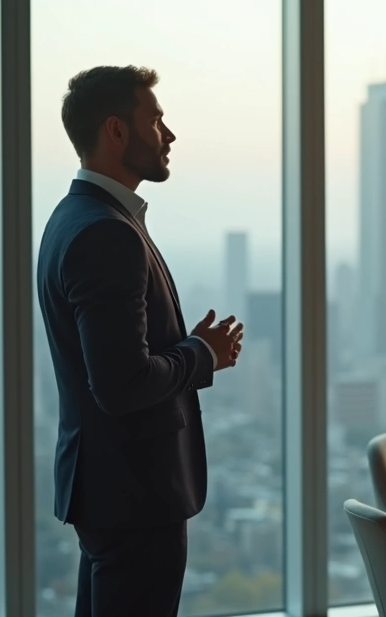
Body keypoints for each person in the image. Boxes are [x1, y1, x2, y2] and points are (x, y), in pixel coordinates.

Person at [36, 65, 243, 616]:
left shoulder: (73, 218)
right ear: (117, 131)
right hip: (135, 494)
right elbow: (122, 383)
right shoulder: (107, 233)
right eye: (155, 119)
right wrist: (202, 356)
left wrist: (187, 345)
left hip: (110, 489)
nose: (169, 135)